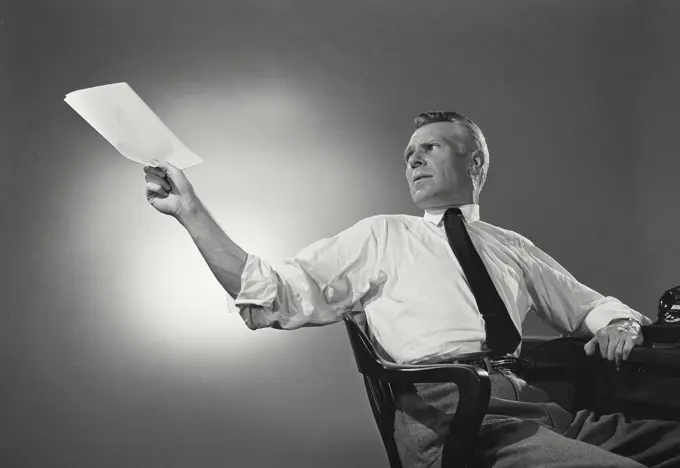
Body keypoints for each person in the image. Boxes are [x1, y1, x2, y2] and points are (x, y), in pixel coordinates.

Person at [143, 111, 680, 468]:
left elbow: (587, 306)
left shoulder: (510, 245)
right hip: (456, 417)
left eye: (431, 147)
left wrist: (620, 322)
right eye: (409, 153)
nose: (414, 159)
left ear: (474, 162)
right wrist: (191, 213)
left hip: (539, 406)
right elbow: (272, 294)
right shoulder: (382, 235)